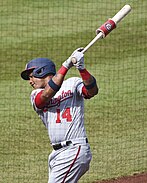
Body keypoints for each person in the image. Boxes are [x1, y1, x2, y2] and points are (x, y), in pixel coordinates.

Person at [21, 48, 99, 183]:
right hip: (56, 154)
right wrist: (65, 66)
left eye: (31, 76)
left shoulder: (72, 83)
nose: (30, 81)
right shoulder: (35, 95)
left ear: (41, 71)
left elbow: (92, 91)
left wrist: (82, 69)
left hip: (74, 149)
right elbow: (45, 95)